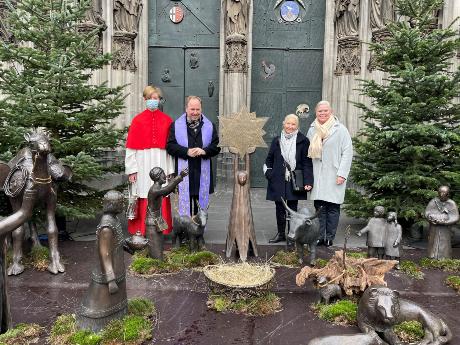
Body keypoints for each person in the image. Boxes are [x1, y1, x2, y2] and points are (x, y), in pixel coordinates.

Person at [125, 86, 175, 236]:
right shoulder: (137, 120)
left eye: (156, 98)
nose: (153, 101)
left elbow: (169, 149)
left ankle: (162, 229)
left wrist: (170, 170)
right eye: (150, 98)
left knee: (161, 192)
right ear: (144, 100)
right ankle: (140, 229)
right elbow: (131, 148)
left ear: (159, 100)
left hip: (161, 162)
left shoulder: (167, 120)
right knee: (143, 192)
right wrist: (132, 170)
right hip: (142, 163)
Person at [77, 191, 128, 332]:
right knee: (99, 305)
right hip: (108, 274)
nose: (123, 205)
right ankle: (92, 328)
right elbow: (104, 254)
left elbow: (116, 243)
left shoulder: (114, 220)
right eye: (121, 202)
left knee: (115, 301)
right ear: (112, 205)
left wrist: (129, 246)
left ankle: (115, 321)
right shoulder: (107, 226)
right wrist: (110, 279)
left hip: (116, 269)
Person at [307, 100, 353, 247]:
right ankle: (320, 236)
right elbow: (307, 152)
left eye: (325, 111)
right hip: (318, 174)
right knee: (320, 207)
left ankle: (330, 237)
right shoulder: (312, 129)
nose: (323, 113)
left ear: (331, 112)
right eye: (320, 111)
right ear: (316, 112)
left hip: (334, 174)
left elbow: (347, 152)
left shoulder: (340, 129)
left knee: (333, 208)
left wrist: (342, 174)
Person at [166, 96, 220, 217]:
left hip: (201, 172)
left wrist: (204, 151)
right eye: (192, 109)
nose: (195, 112)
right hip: (184, 172)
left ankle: (198, 231)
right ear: (186, 108)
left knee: (199, 203)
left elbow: (216, 147)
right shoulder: (176, 125)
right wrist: (186, 151)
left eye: (197, 109)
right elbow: (170, 146)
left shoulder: (210, 125)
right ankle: (185, 231)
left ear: (201, 109)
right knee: (186, 199)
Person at [265, 114, 314, 243]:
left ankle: (291, 235)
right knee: (279, 207)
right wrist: (269, 174)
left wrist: (308, 181)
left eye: (293, 124)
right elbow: (269, 159)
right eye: (288, 123)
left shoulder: (303, 141)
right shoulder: (276, 140)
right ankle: (281, 234)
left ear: (297, 126)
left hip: (295, 180)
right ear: (284, 124)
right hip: (278, 179)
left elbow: (307, 162)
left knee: (293, 209)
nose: (290, 127)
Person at [425, 186, 459, 259]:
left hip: (445, 229)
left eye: (444, 194)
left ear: (448, 194)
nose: (442, 196)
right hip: (434, 227)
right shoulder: (433, 201)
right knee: (433, 242)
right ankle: (431, 256)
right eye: (440, 194)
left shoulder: (451, 203)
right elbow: (427, 212)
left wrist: (445, 222)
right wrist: (431, 219)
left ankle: (445, 257)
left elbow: (455, 217)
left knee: (445, 242)